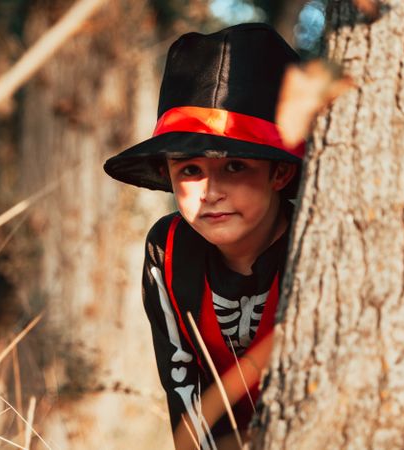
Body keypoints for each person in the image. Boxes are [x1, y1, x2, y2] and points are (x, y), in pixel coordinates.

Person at [103, 23, 304, 449]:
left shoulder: (312, 244)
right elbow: (180, 380)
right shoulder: (168, 250)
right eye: (190, 170)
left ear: (280, 172)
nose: (210, 192)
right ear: (167, 173)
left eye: (235, 166)